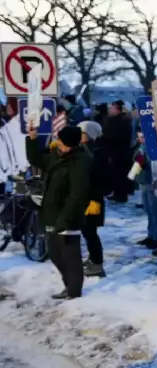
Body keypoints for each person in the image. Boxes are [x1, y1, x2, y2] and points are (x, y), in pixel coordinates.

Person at [26, 125, 91, 300]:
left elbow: (77, 195)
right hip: (51, 213)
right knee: (54, 253)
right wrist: (32, 139)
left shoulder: (79, 162)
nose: (57, 141)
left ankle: (74, 292)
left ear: (67, 142)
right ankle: (68, 285)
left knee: (70, 255)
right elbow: (36, 160)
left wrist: (65, 219)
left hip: (68, 215)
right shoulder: (57, 155)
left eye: (60, 139)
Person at [77, 121, 113, 278]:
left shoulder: (97, 151)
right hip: (86, 197)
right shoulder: (86, 149)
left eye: (82, 133)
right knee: (87, 231)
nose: (79, 136)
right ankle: (93, 258)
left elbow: (101, 177)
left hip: (93, 199)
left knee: (90, 231)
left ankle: (97, 264)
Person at [132, 131, 157, 250]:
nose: (140, 138)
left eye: (142, 136)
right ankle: (151, 234)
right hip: (144, 180)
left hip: (152, 180)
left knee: (155, 210)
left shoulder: (154, 145)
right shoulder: (141, 146)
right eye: (139, 136)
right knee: (149, 209)